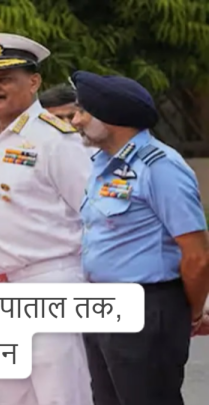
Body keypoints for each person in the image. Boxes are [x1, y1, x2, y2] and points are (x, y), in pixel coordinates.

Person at [0, 32, 93, 405]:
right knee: (12, 396)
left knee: (61, 396)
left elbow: (93, 213)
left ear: (33, 82)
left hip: (49, 283)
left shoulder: (56, 139)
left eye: (4, 79)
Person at [70, 70, 209, 405]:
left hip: (147, 306)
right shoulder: (103, 164)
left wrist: (190, 313)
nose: (75, 121)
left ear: (112, 117)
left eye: (84, 112)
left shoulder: (160, 167)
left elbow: (196, 255)